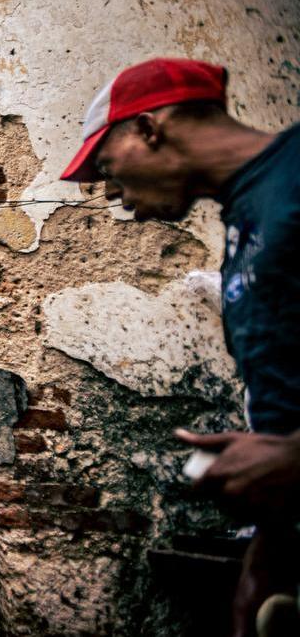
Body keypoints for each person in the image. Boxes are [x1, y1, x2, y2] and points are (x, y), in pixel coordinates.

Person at [61, 57, 300, 636]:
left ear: (149, 128)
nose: (112, 194)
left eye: (107, 167)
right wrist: (265, 559)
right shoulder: (247, 214)